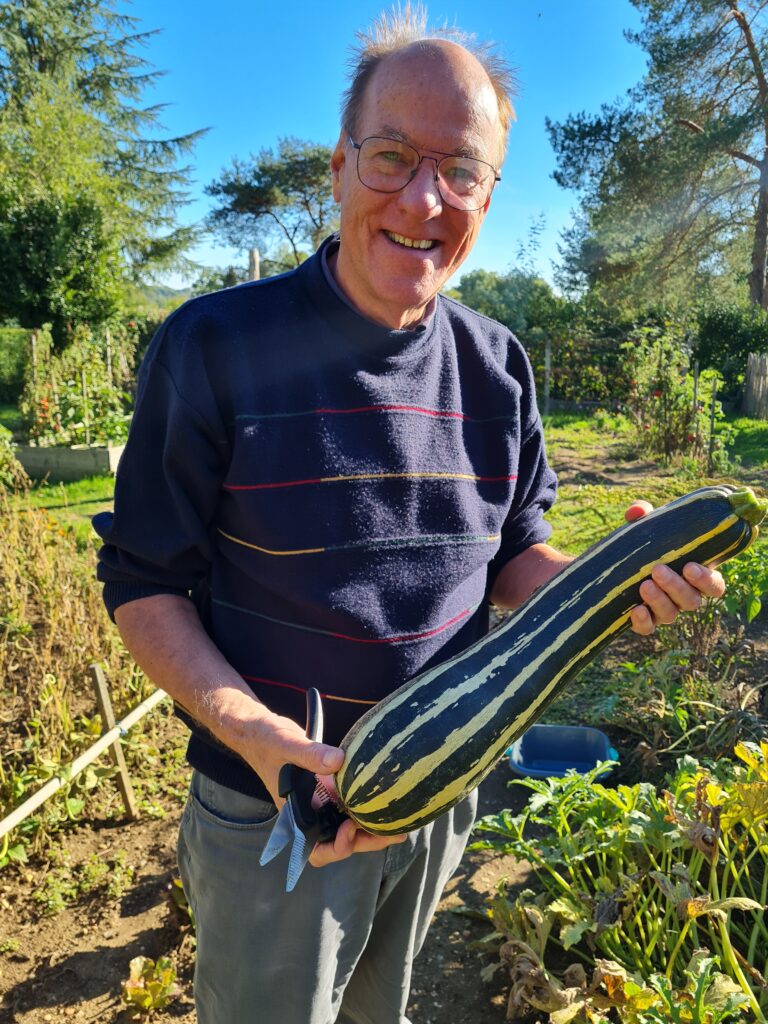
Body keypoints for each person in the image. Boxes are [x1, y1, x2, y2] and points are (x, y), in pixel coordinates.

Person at [94, 9, 725, 1024]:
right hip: (273, 810)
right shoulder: (212, 344)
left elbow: (515, 552)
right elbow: (144, 582)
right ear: (340, 165)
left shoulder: (499, 365)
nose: (425, 199)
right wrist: (263, 740)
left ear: (488, 195)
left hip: (440, 791)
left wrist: (609, 588)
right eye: (391, 157)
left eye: (460, 171)